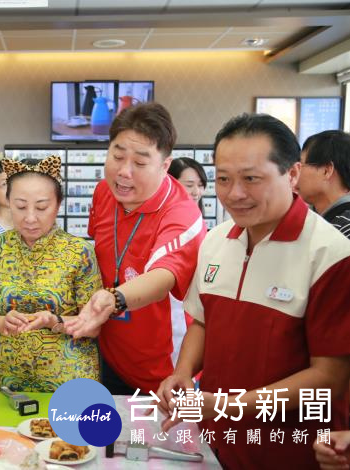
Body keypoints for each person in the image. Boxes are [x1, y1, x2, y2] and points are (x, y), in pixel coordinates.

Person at [156, 113, 350, 470]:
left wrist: (230, 406)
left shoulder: (330, 254)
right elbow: (201, 322)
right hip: (217, 444)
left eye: (251, 179)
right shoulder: (214, 242)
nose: (235, 194)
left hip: (288, 450)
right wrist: (182, 372)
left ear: (291, 175)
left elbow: (329, 377)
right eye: (224, 179)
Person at [66, 102, 207, 396]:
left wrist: (113, 298)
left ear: (165, 165)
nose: (124, 172)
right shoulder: (105, 191)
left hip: (165, 372)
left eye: (140, 163)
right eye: (117, 156)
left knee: (160, 441)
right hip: (109, 356)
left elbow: (161, 279)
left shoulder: (182, 215)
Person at [0, 156, 102, 392]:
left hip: (68, 382)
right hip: (1, 381)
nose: (29, 217)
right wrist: (1, 322)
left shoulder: (80, 252)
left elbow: (93, 325)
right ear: (7, 202)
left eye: (41, 207)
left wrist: (54, 320)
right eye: (20, 206)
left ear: (58, 204)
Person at [166, 157, 208, 367]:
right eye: (189, 185)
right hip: (172, 308)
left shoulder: (201, 223)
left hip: (196, 308)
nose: (196, 192)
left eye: (200, 186)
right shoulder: (166, 222)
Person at [295, 130, 350, 239]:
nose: (295, 173)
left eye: (301, 165)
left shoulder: (345, 230)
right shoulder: (329, 220)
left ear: (326, 171)